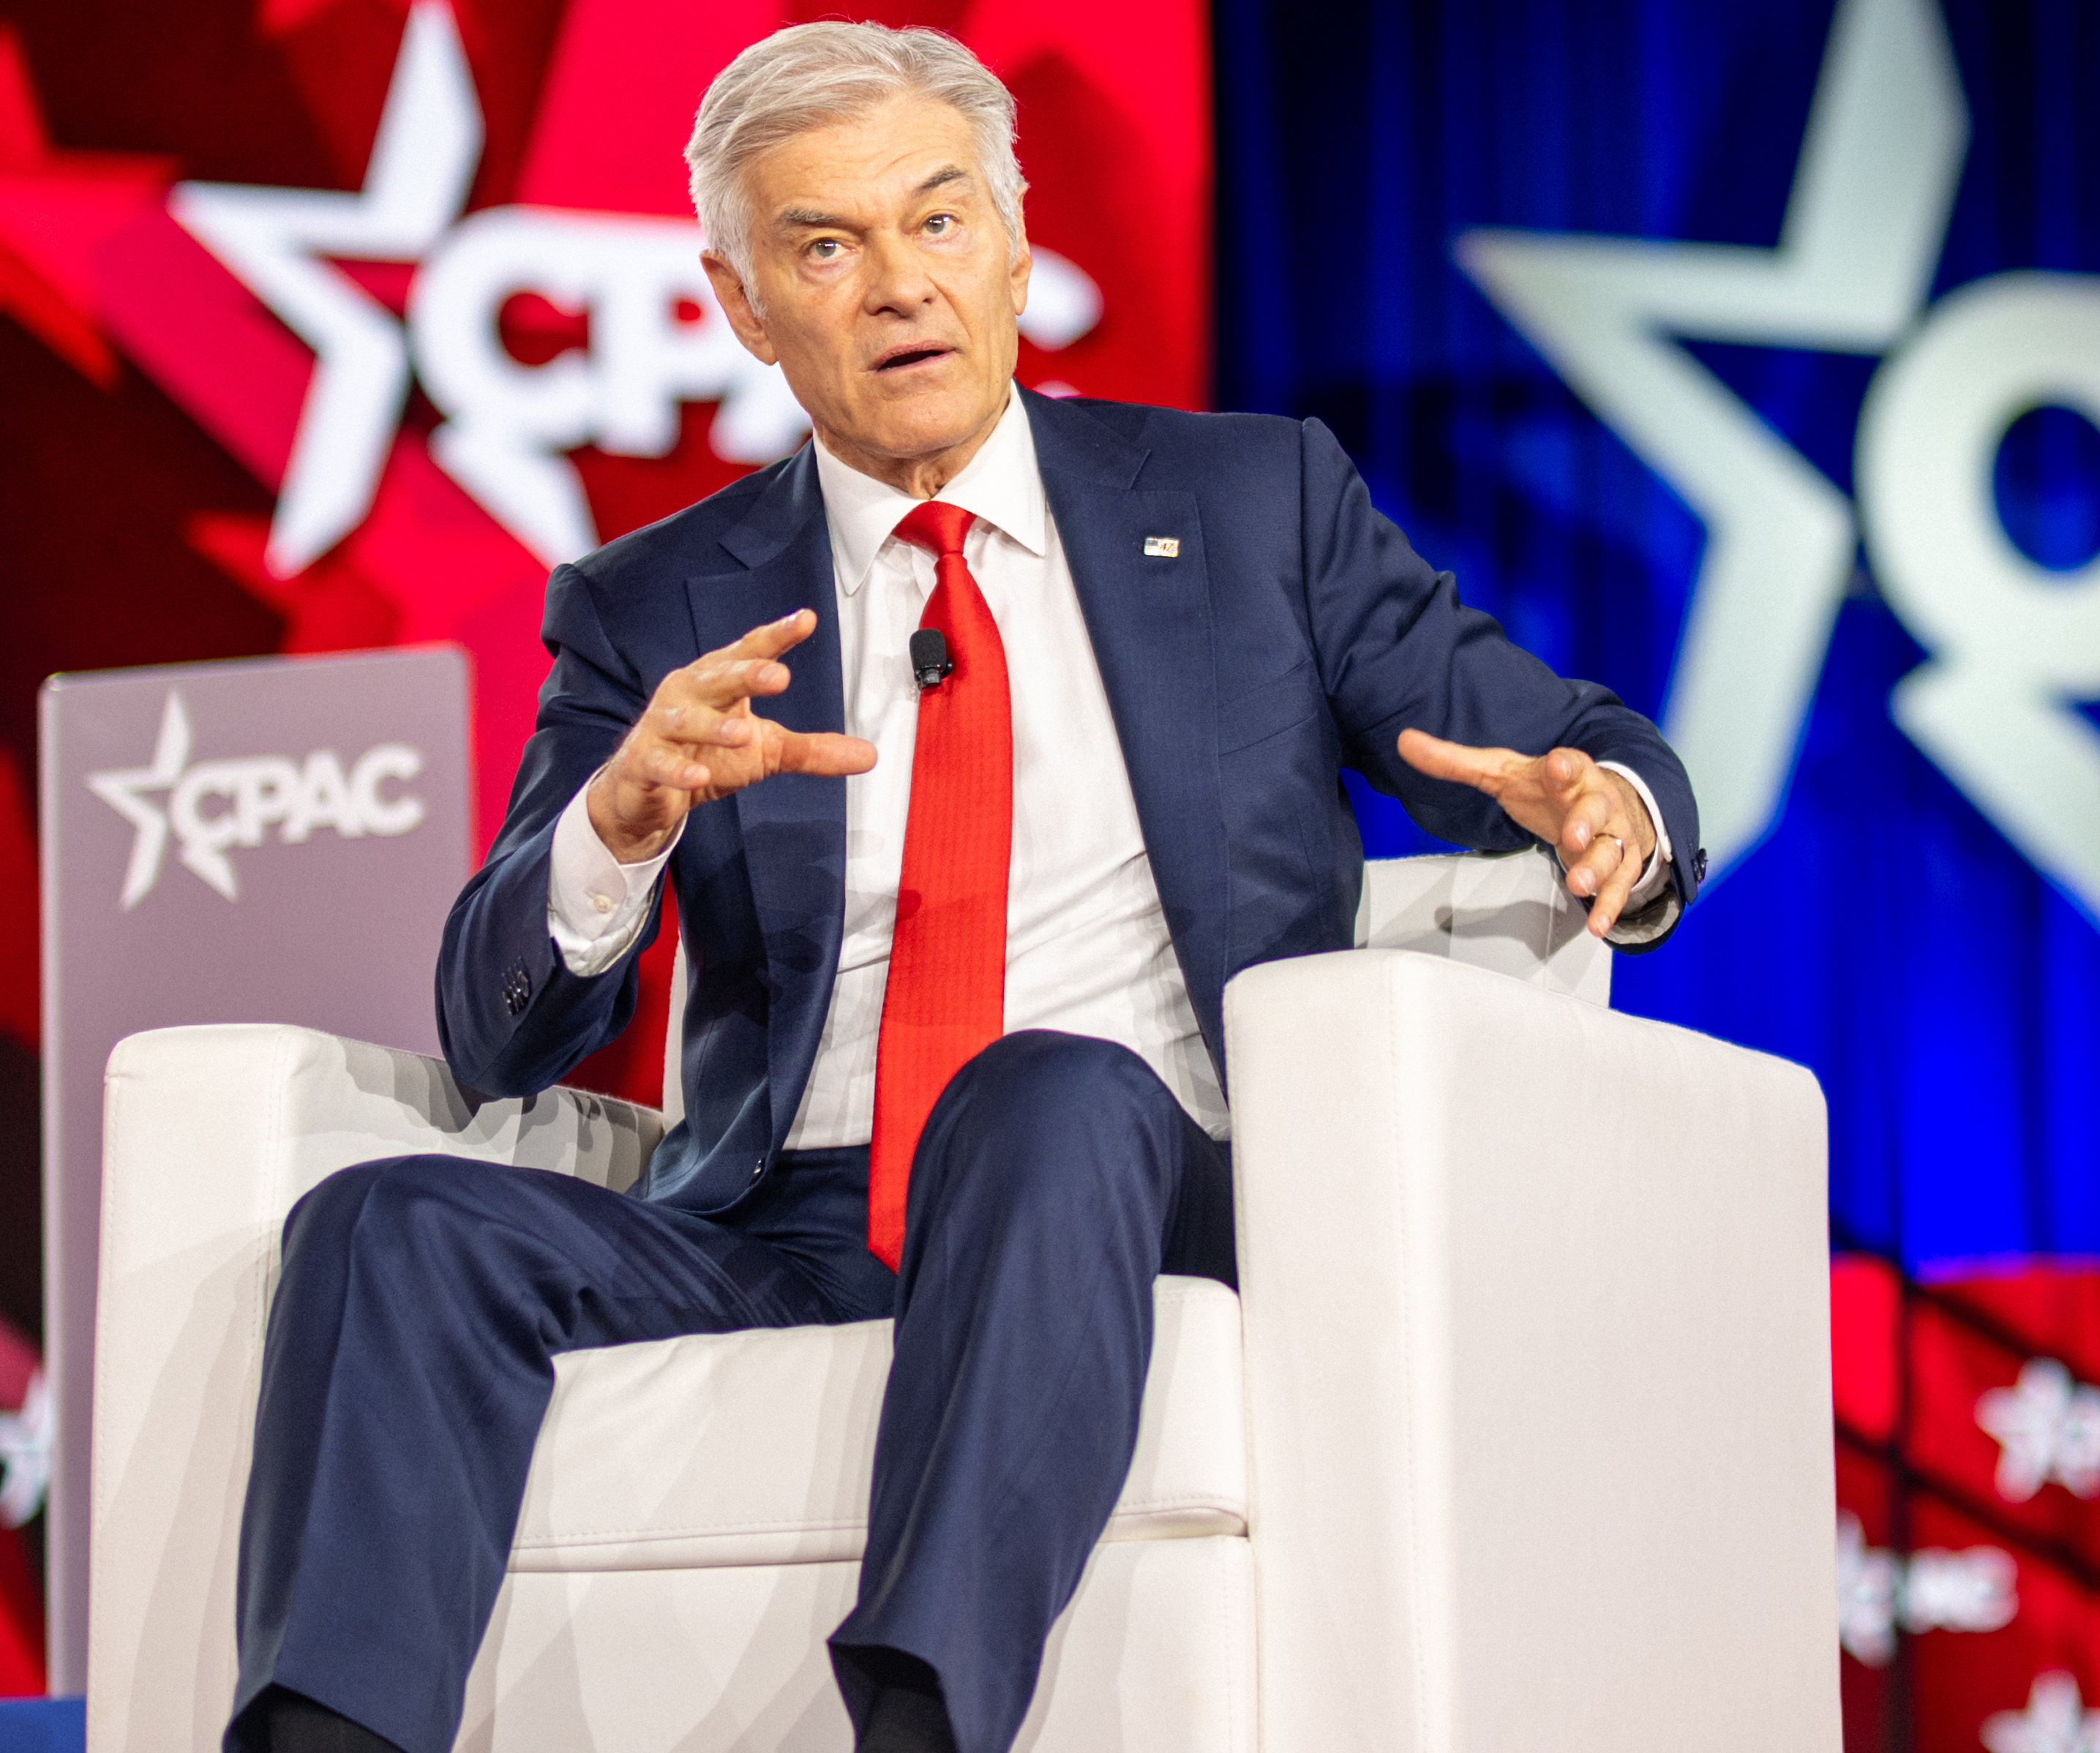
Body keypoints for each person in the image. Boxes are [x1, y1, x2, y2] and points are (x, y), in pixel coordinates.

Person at [226, 22, 1699, 1753]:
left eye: (936, 221)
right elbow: (490, 1035)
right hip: (788, 1220)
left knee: (1049, 1088)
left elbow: (1575, 742)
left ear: (1014, 238)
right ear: (742, 301)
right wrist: (613, 830)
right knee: (387, 1220)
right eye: (824, 247)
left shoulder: (1251, 503)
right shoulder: (657, 602)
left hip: (1138, 1174)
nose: (896, 286)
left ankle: (919, 1727)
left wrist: (1604, 809)